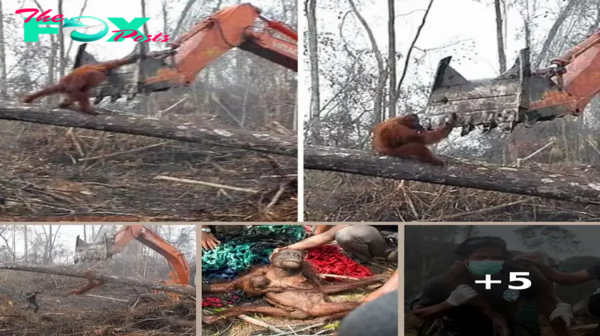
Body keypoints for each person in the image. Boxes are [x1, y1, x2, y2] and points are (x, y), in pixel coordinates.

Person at [411, 236, 569, 336]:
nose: (488, 262)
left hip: (505, 330)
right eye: (480, 258)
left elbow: (547, 302)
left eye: (496, 258)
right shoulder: (446, 281)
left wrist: (559, 306)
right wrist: (449, 303)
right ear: (465, 260)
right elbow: (420, 312)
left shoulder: (516, 276)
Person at [274, 225, 398, 263]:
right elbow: (324, 236)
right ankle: (363, 257)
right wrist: (289, 247)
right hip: (386, 245)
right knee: (345, 234)